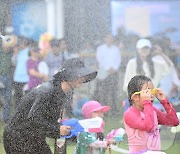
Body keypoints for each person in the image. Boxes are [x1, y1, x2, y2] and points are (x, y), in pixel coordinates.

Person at [3, 58, 97, 154]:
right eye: (79, 74)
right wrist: (57, 129)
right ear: (69, 76)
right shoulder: (47, 91)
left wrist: (73, 133)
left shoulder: (63, 92)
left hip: (35, 137)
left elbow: (48, 121)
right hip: (18, 137)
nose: (83, 78)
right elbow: (34, 118)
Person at [123, 75, 179, 153]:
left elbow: (174, 121)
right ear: (135, 97)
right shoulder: (129, 114)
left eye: (153, 91)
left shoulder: (152, 111)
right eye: (147, 92)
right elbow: (148, 126)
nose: (152, 95)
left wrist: (164, 101)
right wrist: (147, 102)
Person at [122, 38, 173, 112]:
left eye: (146, 48)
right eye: (142, 48)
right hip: (136, 97)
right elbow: (127, 83)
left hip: (151, 98)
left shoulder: (156, 63)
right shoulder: (132, 63)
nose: (144, 50)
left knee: (150, 120)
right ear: (138, 50)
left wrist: (161, 53)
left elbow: (169, 67)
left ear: (150, 50)